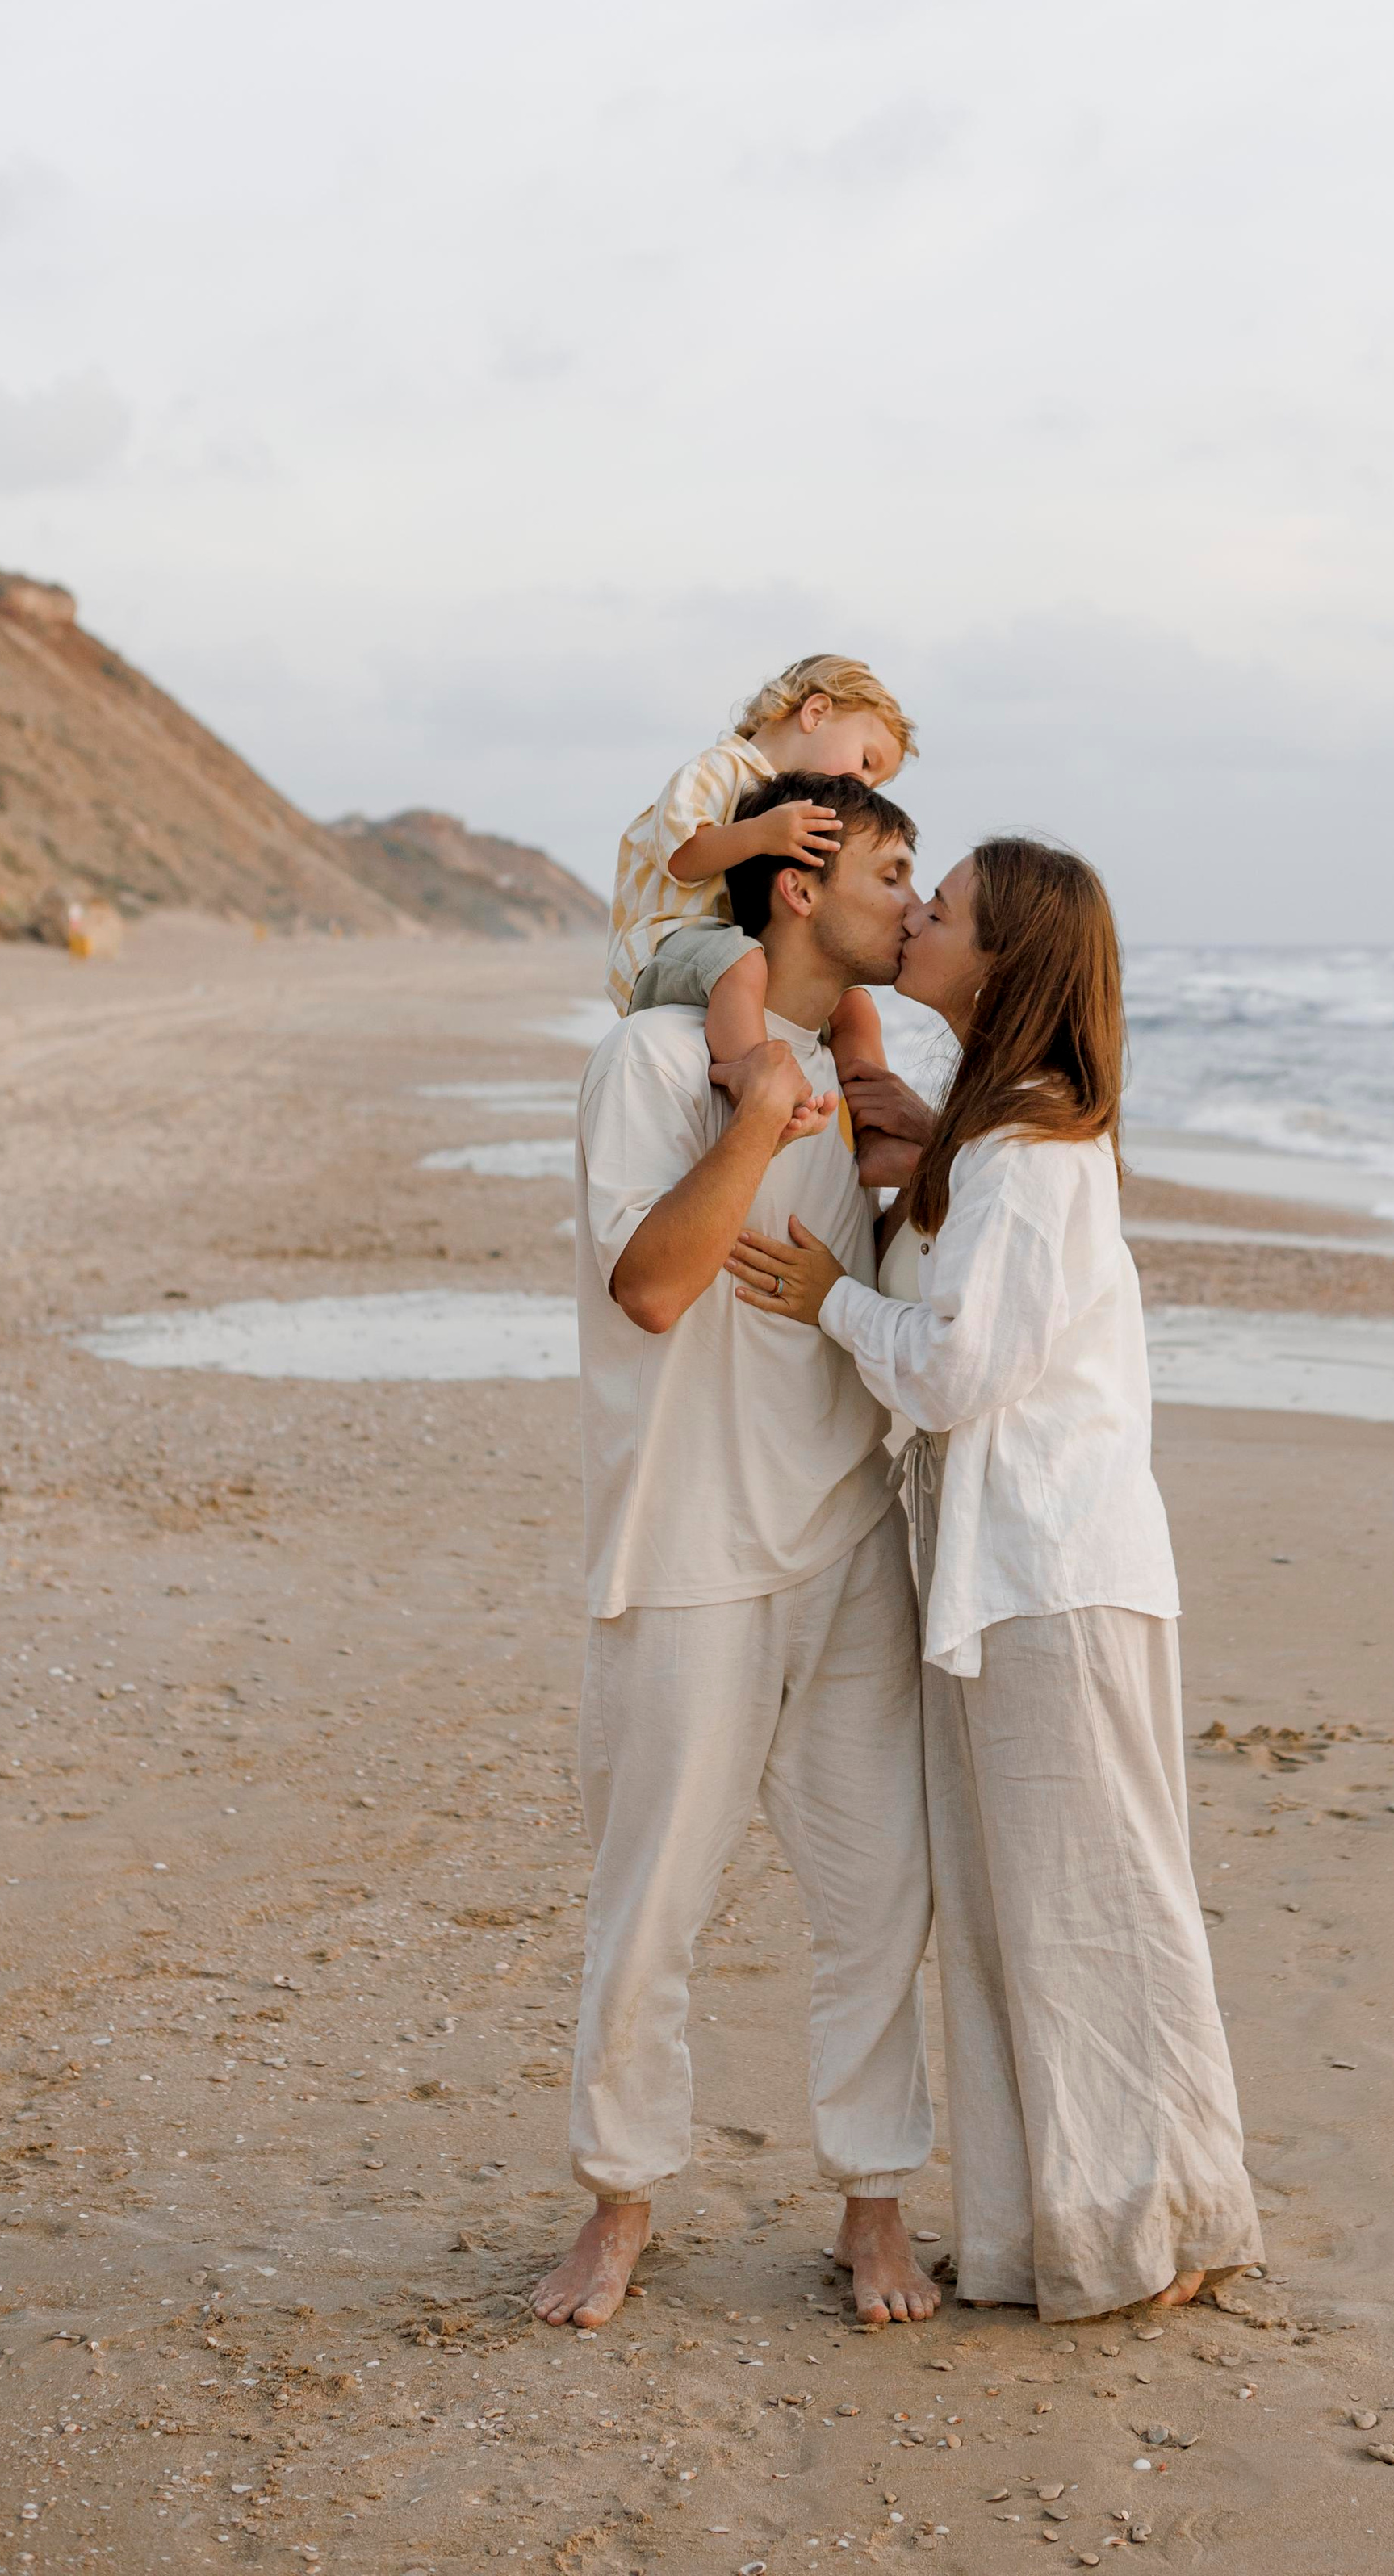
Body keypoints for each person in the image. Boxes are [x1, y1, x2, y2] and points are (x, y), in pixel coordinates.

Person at [727, 838, 1264, 2323]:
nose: (917, 917)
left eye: (945, 909)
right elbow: (970, 1313)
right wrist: (905, 1169)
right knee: (1025, 1912)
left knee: (1096, 1910)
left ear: (1005, 960)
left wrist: (827, 1293)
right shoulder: (1000, 1134)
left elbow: (960, 1371)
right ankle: (1065, 2231)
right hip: (1007, 1577)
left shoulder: (1030, 1149)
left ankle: (1150, 2229)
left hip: (1052, 1577)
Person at [535, 768, 940, 2331]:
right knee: (652, 1903)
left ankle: (874, 2208)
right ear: (796, 879)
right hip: (688, 1545)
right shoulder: (651, 1059)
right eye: (892, 875)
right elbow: (649, 1288)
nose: (912, 908)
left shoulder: (881, 1087)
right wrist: (757, 1114)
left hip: (846, 1531)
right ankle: (619, 2205)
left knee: (877, 1895)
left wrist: (914, 1159)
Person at [602, 655, 918, 1124]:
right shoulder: (719, 769)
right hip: (663, 945)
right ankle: (757, 1088)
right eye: (866, 762)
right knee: (743, 961)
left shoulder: (778, 802)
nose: (864, 783)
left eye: (876, 781)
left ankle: (873, 1130)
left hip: (731, 951)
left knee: (854, 1006)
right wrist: (763, 835)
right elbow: (683, 856)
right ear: (815, 713)